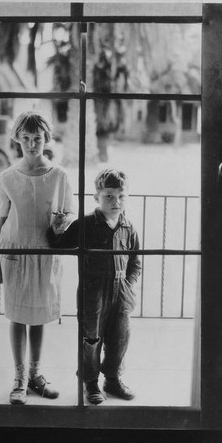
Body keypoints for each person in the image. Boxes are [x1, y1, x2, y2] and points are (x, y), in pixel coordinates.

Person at [0, 111, 75, 405]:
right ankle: (19, 377)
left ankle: (36, 375)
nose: (31, 144)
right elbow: (2, 220)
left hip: (44, 253)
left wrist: (61, 225)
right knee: (17, 316)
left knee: (38, 316)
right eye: (25, 138)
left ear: (46, 139)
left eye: (37, 138)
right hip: (14, 252)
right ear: (17, 140)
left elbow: (66, 216)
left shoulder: (59, 176)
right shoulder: (7, 178)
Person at [47, 168, 141, 405]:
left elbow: (136, 261)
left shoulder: (128, 227)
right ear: (96, 197)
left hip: (121, 293)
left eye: (121, 196)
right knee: (91, 339)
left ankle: (112, 379)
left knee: (119, 338)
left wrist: (129, 284)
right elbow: (60, 245)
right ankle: (90, 382)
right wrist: (56, 229)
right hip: (94, 293)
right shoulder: (86, 224)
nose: (115, 201)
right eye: (108, 196)